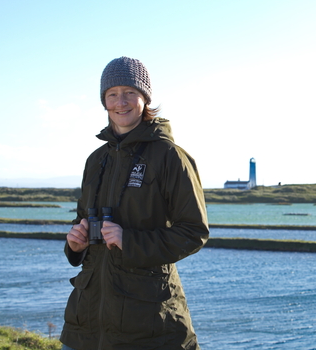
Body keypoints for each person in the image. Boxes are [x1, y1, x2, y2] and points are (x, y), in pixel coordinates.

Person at [60, 56, 209, 350]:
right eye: (112, 94)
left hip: (150, 325)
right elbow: (81, 220)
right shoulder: (96, 159)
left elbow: (194, 231)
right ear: (104, 102)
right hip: (85, 325)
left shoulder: (170, 156)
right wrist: (75, 244)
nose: (121, 101)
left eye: (130, 92)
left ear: (145, 98)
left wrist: (130, 241)